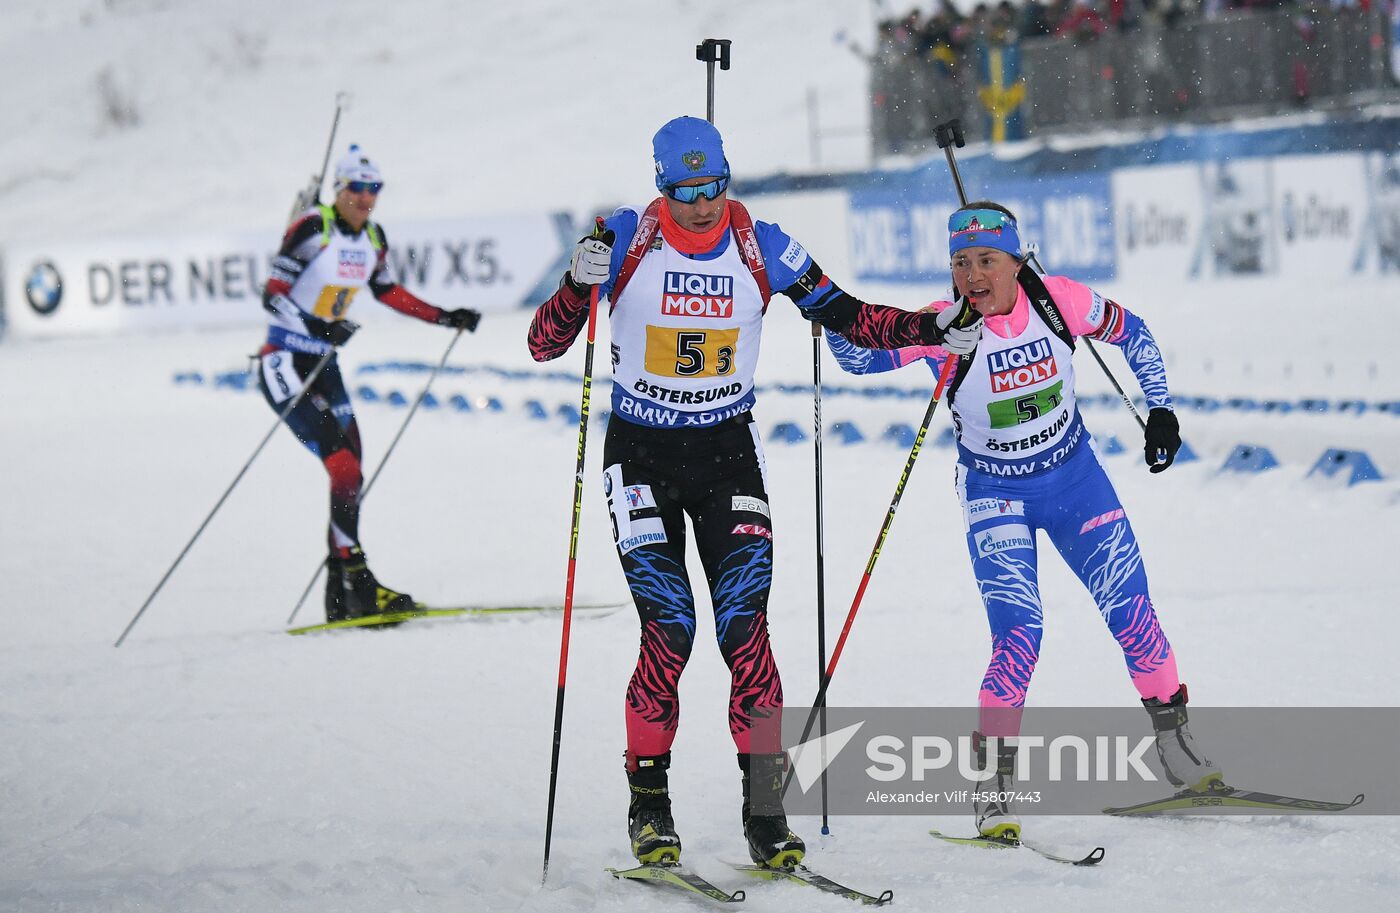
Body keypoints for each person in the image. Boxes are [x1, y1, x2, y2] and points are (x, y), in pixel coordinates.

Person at [526, 116, 982, 868]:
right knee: (670, 630)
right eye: (685, 191)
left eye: (714, 188)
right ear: (661, 187)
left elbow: (851, 318)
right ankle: (649, 804)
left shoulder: (763, 243)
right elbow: (544, 343)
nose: (702, 204)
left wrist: (933, 326)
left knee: (747, 632)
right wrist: (578, 280)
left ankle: (765, 811)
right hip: (638, 456)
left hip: (726, 454)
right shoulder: (625, 238)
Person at [825, 201, 1220, 840]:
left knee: (1134, 615)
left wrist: (1162, 412)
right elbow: (856, 359)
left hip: (1076, 481)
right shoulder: (939, 324)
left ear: (1016, 261)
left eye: (987, 261)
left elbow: (1134, 333)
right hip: (994, 494)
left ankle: (1176, 745)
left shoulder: (1058, 300)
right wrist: (837, 316)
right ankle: (995, 787)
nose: (973, 276)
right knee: (1019, 638)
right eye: (960, 262)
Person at [257, 144, 481, 623]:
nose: (365, 198)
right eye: (356, 188)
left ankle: (342, 592)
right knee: (341, 465)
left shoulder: (374, 236)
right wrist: (317, 327)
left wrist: (445, 317)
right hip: (284, 363)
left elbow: (386, 291)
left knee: (351, 472)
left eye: (373, 188)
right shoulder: (313, 227)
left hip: (324, 364)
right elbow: (271, 295)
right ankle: (356, 581)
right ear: (338, 190)